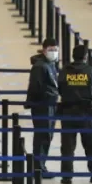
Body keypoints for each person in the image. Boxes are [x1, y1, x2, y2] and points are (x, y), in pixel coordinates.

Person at [56, 45, 92, 184]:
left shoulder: (64, 71)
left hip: (68, 112)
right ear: (86, 56)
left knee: (67, 146)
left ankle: (66, 176)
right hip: (87, 113)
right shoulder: (91, 71)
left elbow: (59, 89)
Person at [25, 38, 59, 176]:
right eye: (51, 50)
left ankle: (41, 165)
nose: (54, 52)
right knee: (43, 135)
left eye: (56, 50)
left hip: (49, 104)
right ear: (44, 50)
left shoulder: (50, 64)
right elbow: (36, 87)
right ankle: (38, 167)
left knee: (46, 135)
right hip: (43, 105)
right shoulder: (40, 66)